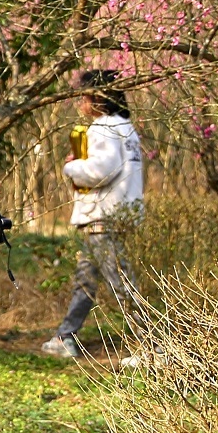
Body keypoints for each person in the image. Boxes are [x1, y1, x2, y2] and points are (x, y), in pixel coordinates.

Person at [41, 70, 144, 359]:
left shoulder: (102, 128)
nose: (80, 103)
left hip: (102, 217)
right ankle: (65, 337)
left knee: (121, 283)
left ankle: (153, 347)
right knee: (85, 280)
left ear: (98, 99)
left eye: (84, 97)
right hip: (119, 214)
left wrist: (72, 167)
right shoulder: (127, 128)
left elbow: (102, 170)